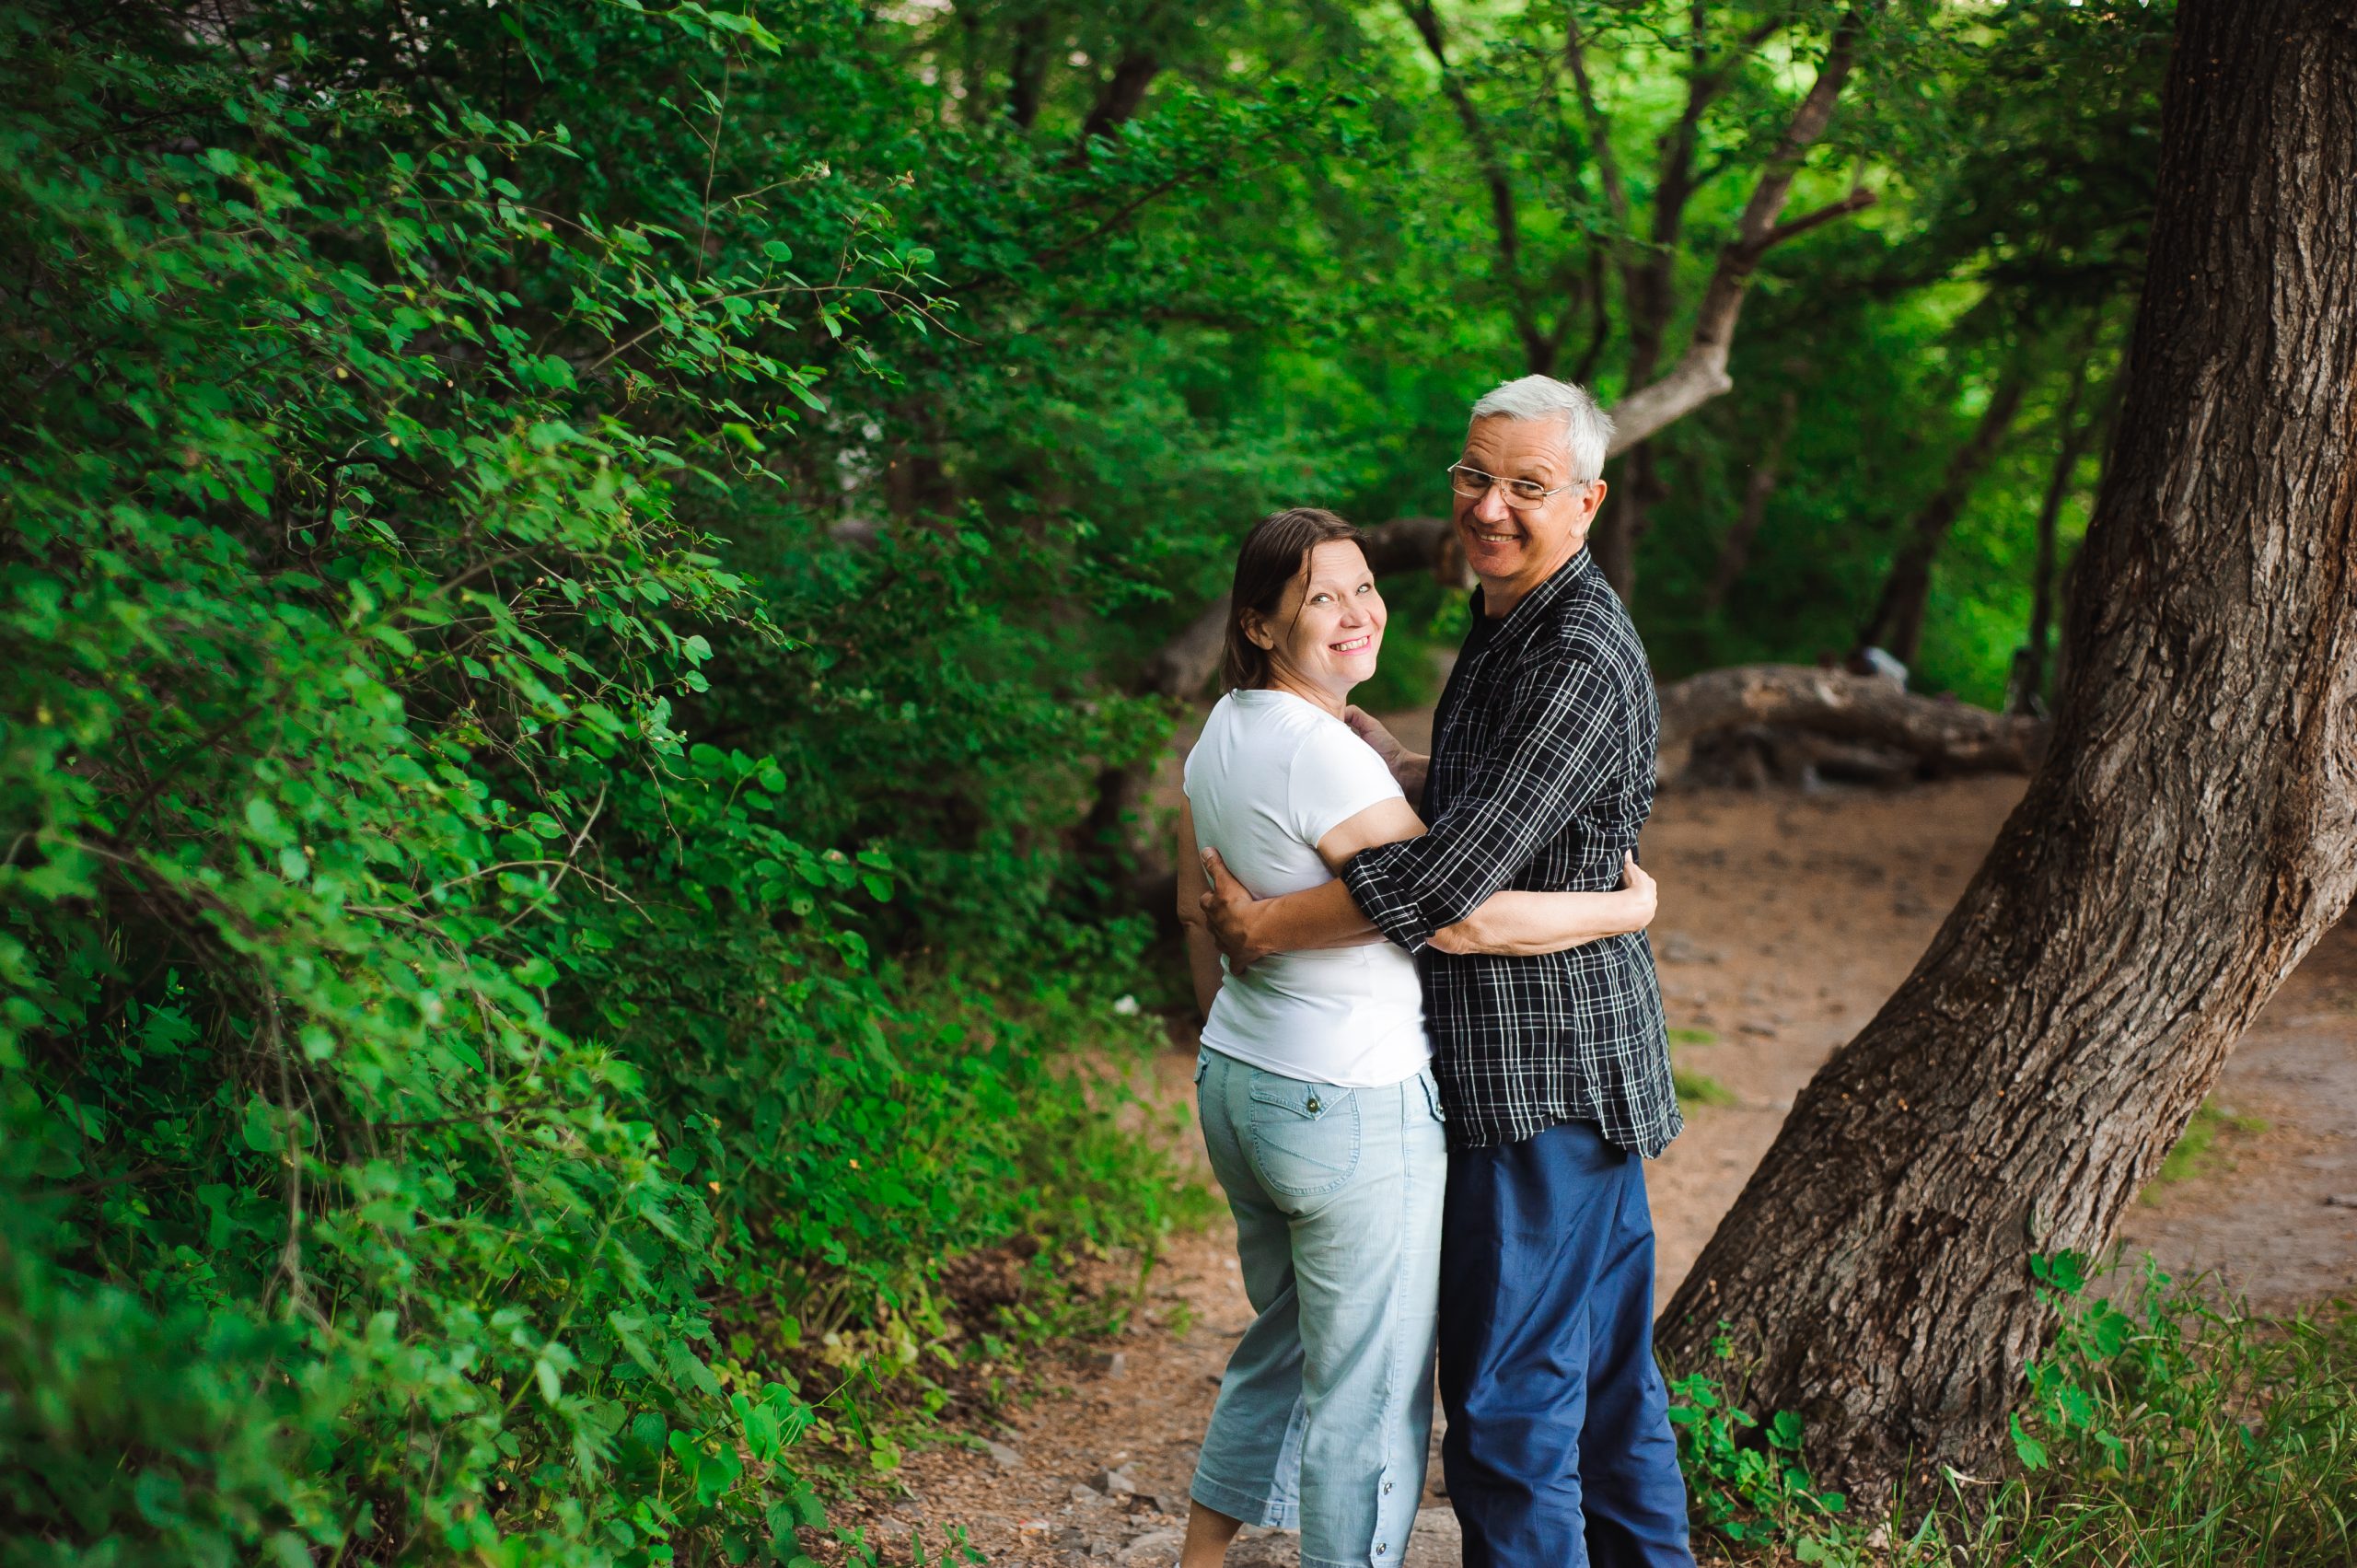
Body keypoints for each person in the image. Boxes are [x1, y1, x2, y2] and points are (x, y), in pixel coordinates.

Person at [1202, 378, 1692, 1567]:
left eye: (1528, 488)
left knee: (1510, 1422)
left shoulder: (1574, 652)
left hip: (1542, 1084)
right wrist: (1397, 759)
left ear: (1587, 502)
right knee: (1614, 1405)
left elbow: (1446, 898)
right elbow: (1486, 801)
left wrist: (1267, 930)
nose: (1491, 509)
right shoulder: (1510, 613)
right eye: (1477, 478)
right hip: (1556, 1077)